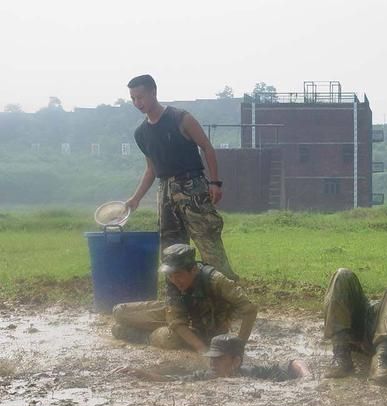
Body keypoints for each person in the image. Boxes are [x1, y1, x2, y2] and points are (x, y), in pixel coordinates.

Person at [125, 74, 238, 280]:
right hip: (165, 191)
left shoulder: (180, 118)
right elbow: (151, 169)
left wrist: (214, 182)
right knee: (171, 251)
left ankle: (230, 298)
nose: (137, 103)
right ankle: (180, 302)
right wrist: (135, 199)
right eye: (133, 98)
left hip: (193, 187)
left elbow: (207, 148)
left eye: (140, 97)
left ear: (153, 92)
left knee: (208, 244)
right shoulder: (141, 133)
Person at [111, 244, 257, 352]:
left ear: (193, 270)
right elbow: (175, 320)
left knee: (170, 339)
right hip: (180, 315)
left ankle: (137, 335)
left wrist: (239, 347)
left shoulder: (216, 281)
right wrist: (200, 348)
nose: (174, 280)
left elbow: (249, 309)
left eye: (179, 274)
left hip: (204, 328)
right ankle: (127, 328)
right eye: (170, 275)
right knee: (119, 312)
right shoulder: (173, 279)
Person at [115, 334, 311, 382]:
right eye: (211, 358)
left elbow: (294, 362)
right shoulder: (206, 376)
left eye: (219, 359)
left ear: (236, 361)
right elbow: (173, 381)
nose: (212, 363)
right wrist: (143, 374)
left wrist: (307, 378)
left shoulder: (254, 373)